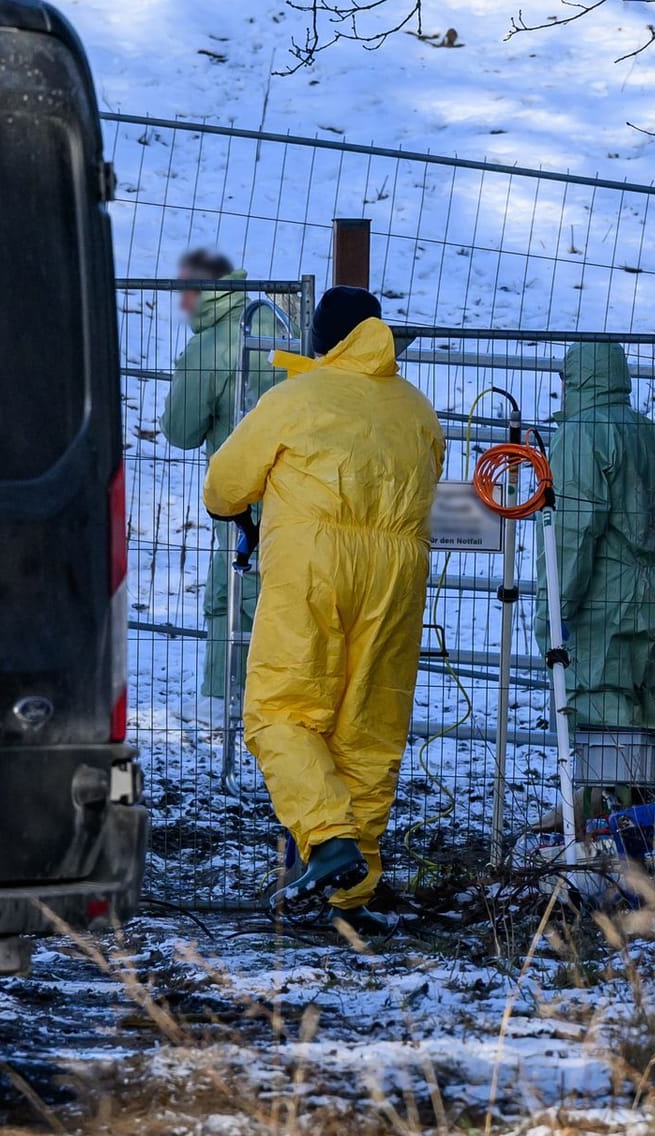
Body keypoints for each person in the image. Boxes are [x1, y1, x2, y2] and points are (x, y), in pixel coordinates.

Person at [203, 287, 443, 929]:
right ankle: (350, 894)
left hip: (313, 566)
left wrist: (244, 513)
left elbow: (224, 486)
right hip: (398, 574)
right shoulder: (418, 410)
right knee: (368, 729)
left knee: (279, 712)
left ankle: (328, 837)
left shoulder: (293, 400)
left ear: (324, 338)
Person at [536, 342, 655, 730]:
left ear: (577, 378)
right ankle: (634, 793)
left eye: (565, 379)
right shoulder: (654, 436)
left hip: (602, 610)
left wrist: (553, 611)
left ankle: (593, 794)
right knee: (638, 720)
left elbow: (573, 533)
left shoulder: (581, 435)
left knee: (595, 727)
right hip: (653, 599)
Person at [161, 249, 281, 703]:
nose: (182, 304)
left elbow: (179, 429)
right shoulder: (276, 324)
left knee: (232, 596)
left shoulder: (212, 347)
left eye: (185, 291)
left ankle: (230, 709)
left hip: (243, 500)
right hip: (299, 494)